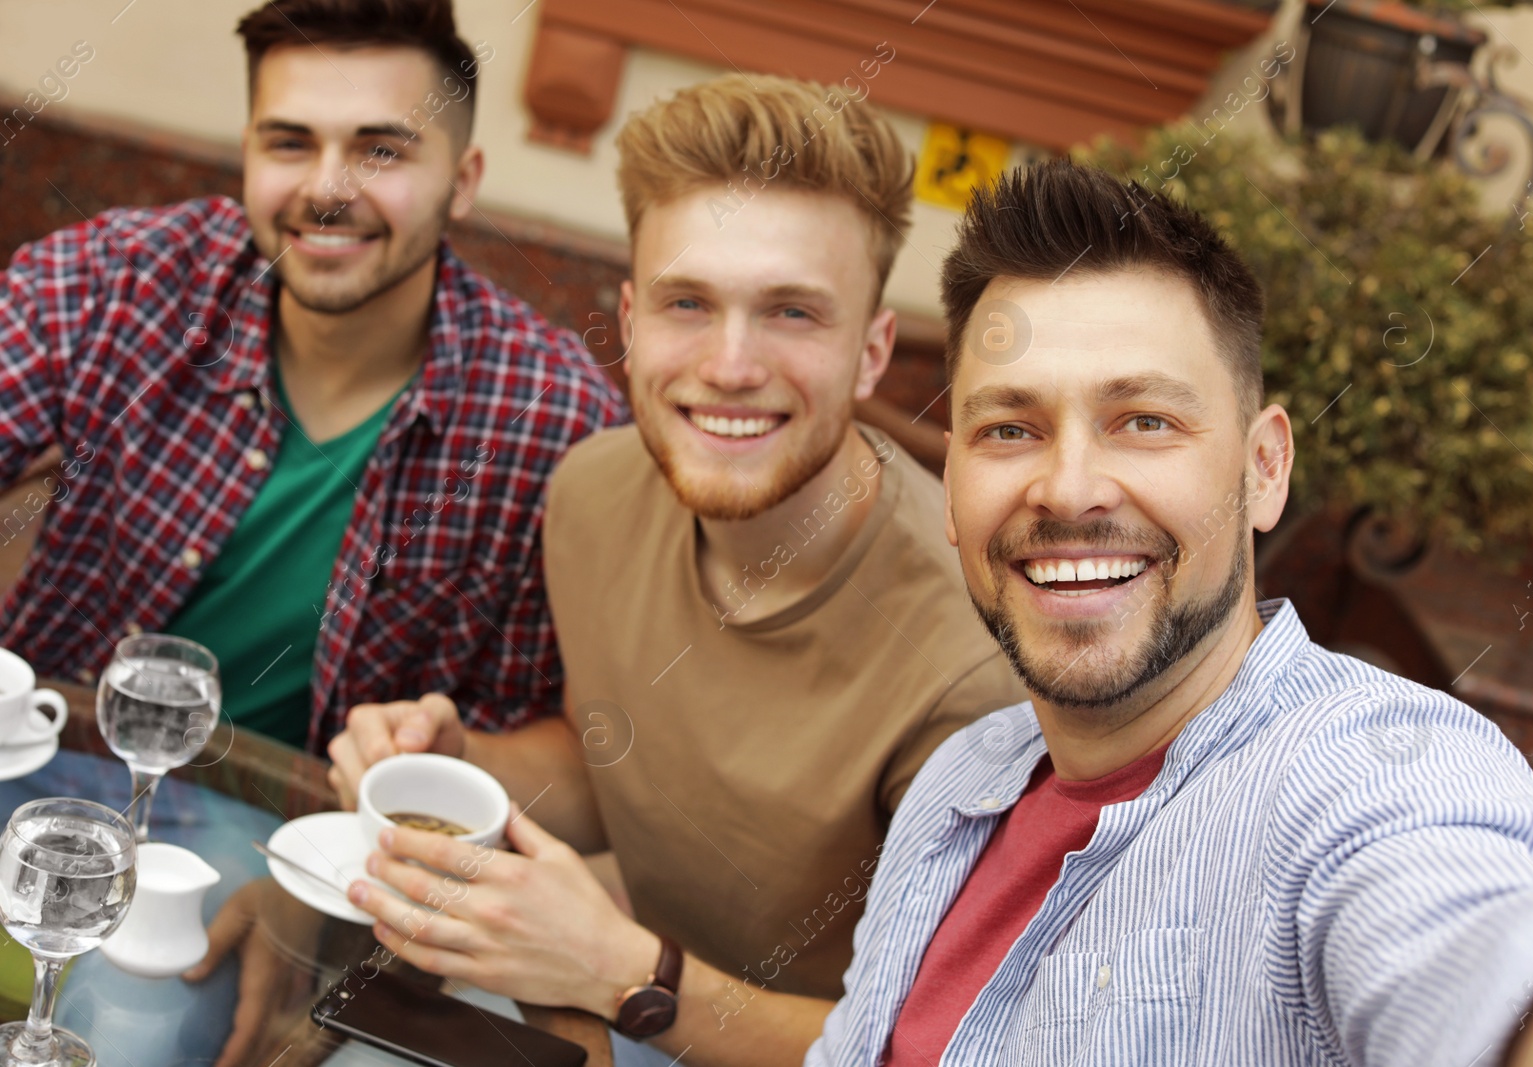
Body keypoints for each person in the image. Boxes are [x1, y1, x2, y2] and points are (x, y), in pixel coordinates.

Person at [804, 159, 1533, 1066]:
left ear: (1264, 468)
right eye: (1010, 430)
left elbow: (1508, 966)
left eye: (1143, 420)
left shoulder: (1371, 772)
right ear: (951, 485)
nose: (1068, 489)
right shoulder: (960, 782)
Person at [325, 74, 1027, 1066]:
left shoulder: (977, 668)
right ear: (630, 317)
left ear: (871, 352)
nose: (730, 363)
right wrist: (463, 762)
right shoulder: (591, 492)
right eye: (686, 302)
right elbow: (607, 753)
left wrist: (627, 971)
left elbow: (930, 1045)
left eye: (791, 312)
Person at [0, 0, 625, 753]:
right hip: (44, 772)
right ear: (249, 153)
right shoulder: (120, 280)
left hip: (316, 853)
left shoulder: (554, 419)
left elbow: (578, 737)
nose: (328, 190)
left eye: (382, 151)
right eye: (290, 144)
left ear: (462, 182)